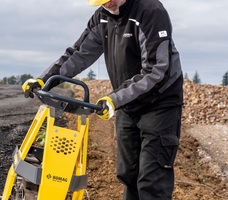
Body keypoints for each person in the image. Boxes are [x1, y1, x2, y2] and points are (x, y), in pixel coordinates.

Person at [22, 0, 183, 199]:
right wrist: (44, 79)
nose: (108, 3)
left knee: (152, 181)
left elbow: (156, 69)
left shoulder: (150, 11)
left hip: (159, 103)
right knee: (128, 173)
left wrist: (115, 99)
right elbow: (79, 54)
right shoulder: (102, 17)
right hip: (128, 104)